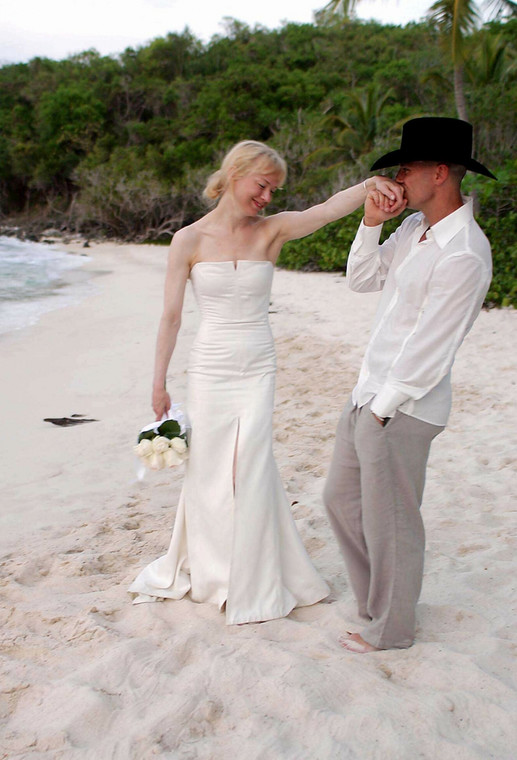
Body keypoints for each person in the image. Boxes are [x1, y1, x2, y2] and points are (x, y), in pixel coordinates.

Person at [129, 139, 404, 625]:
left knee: (252, 464)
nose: (267, 198)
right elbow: (170, 317)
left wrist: (368, 186)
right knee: (211, 471)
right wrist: (158, 384)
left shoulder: (271, 232)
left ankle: (252, 577)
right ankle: (215, 573)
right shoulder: (187, 241)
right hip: (210, 367)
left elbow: (323, 211)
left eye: (274, 190)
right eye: (263, 186)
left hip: (257, 365)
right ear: (235, 173)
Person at [323, 117, 496, 652]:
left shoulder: (464, 251)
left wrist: (382, 410)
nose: (398, 177)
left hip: (402, 407)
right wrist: (372, 221)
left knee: (392, 521)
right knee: (340, 502)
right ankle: (376, 603)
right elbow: (361, 279)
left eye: (407, 167)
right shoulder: (413, 229)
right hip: (368, 392)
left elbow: (432, 346)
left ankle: (391, 628)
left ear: (439, 173)